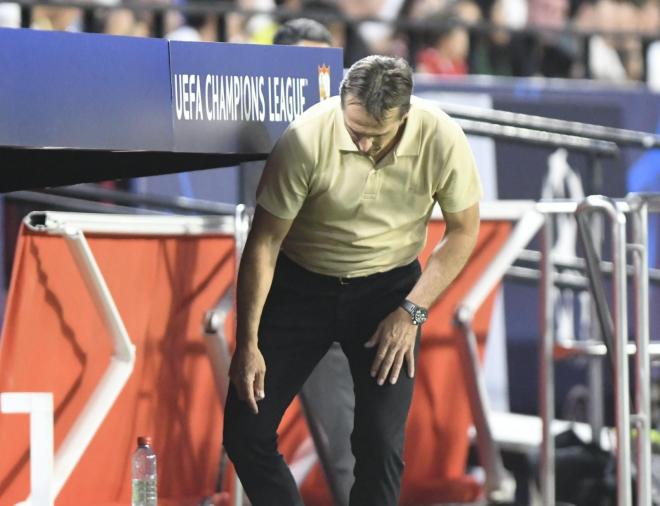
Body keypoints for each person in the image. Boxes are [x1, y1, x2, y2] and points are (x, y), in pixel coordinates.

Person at [223, 55, 482, 506]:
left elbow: (463, 232)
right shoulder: (306, 138)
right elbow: (263, 244)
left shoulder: (441, 137)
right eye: (353, 130)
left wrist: (411, 312)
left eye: (374, 135)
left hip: (389, 293)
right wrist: (247, 343)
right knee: (246, 431)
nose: (361, 144)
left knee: (380, 445)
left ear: (405, 117)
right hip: (300, 284)